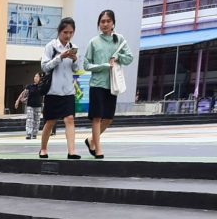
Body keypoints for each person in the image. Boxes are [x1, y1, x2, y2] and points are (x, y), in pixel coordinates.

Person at [83, 9, 134, 160]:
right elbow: (86, 65)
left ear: (113, 23)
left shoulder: (119, 40)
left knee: (109, 118)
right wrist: (103, 66)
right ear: (99, 24)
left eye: (108, 21)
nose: (105, 24)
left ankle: (91, 140)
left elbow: (129, 58)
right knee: (97, 117)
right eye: (102, 21)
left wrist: (117, 57)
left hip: (112, 84)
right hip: (97, 84)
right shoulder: (93, 42)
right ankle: (98, 148)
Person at [39, 17, 81, 160]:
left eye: (71, 32)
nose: (68, 35)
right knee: (50, 121)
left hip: (68, 91)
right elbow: (44, 67)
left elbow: (76, 69)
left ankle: (72, 151)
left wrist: (75, 60)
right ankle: (43, 149)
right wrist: (60, 57)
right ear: (59, 31)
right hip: (53, 91)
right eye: (65, 32)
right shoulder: (51, 46)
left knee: (69, 119)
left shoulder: (73, 47)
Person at [14, 73, 43, 140]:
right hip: (30, 105)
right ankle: (28, 133)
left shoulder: (41, 86)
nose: (35, 78)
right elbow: (23, 93)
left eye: (37, 76)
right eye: (35, 76)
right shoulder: (29, 86)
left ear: (40, 78)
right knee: (30, 119)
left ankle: (34, 134)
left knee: (37, 121)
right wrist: (17, 101)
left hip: (38, 106)